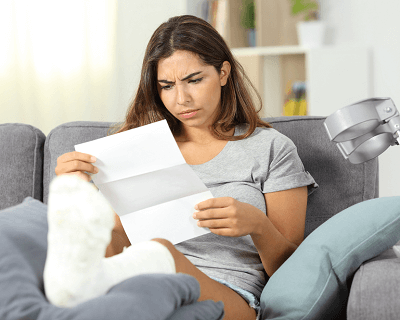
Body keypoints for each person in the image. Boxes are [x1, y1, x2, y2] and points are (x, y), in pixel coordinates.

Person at [49, 15, 317, 320]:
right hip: (141, 284)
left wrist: (257, 224)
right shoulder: (136, 148)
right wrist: (75, 193)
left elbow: (293, 272)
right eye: (166, 86)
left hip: (229, 294)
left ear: (223, 73)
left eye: (194, 80)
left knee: (159, 254)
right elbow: (116, 241)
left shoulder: (271, 148)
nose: (181, 100)